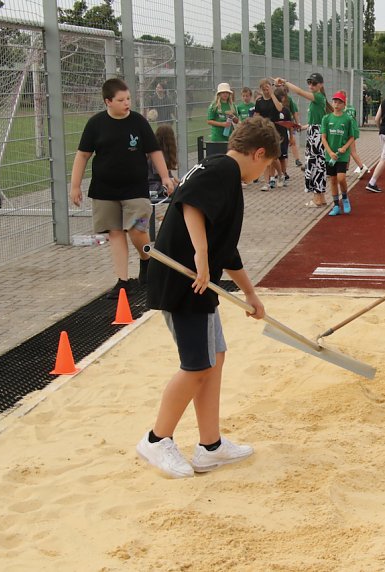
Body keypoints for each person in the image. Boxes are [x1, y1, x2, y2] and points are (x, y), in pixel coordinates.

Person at [137, 117, 281, 479]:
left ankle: (211, 446)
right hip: (183, 280)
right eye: (265, 166)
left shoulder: (228, 177)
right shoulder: (222, 170)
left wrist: (251, 293)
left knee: (214, 357)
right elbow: (189, 204)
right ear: (258, 153)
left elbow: (227, 251)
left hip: (200, 283)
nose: (263, 173)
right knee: (197, 365)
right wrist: (200, 255)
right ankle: (156, 439)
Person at [70, 78, 175, 299]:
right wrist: (75, 186)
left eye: (128, 98)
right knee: (115, 232)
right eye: (121, 100)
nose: (127, 103)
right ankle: (122, 281)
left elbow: (154, 151)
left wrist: (166, 177)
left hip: (136, 189)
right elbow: (83, 155)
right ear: (108, 101)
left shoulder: (138, 122)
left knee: (138, 230)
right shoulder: (96, 124)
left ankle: (146, 261)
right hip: (104, 190)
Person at [277, 72, 333, 207]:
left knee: (316, 166)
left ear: (320, 85)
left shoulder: (318, 97)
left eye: (314, 83)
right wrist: (302, 127)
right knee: (316, 165)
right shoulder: (319, 99)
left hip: (316, 136)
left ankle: (318, 198)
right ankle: (320, 197)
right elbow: (317, 122)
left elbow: (300, 92)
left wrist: (285, 82)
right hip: (314, 132)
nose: (311, 86)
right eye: (309, 83)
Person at [321, 91, 356, 216]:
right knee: (333, 180)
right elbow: (323, 137)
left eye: (339, 102)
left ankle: (345, 198)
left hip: (342, 155)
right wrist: (330, 152)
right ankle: (336, 205)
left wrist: (344, 148)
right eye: (335, 101)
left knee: (341, 178)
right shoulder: (327, 118)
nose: (336, 104)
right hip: (330, 155)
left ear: (344, 104)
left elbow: (352, 137)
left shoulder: (347, 119)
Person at [252, 79, 285, 190]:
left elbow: (280, 108)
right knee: (265, 156)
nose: (266, 90)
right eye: (263, 88)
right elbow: (256, 115)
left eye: (267, 88)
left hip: (275, 130)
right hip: (264, 129)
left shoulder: (275, 98)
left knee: (273, 157)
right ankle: (266, 182)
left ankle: (280, 175)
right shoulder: (259, 101)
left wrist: (272, 94)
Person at [339, 89, 368, 176]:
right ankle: (345, 168)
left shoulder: (341, 109)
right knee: (347, 150)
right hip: (354, 130)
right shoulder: (351, 107)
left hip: (348, 132)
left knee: (352, 151)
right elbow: (354, 119)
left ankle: (362, 167)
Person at [148, 123, 179, 201]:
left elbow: (169, 176)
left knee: (184, 188)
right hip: (153, 188)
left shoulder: (161, 153)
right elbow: (160, 176)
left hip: (157, 186)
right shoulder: (157, 156)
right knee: (183, 192)